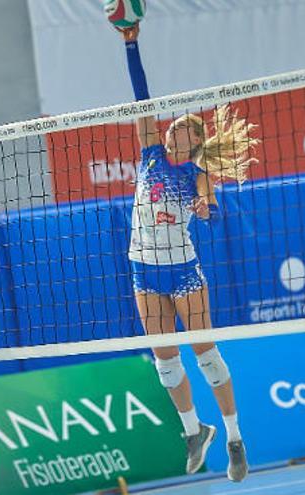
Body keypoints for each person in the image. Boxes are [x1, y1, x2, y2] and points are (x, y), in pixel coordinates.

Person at [116, 23, 259, 481]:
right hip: (143, 268)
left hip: (182, 272)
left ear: (194, 141)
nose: (172, 128)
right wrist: (130, 43)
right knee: (165, 362)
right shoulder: (151, 155)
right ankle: (194, 430)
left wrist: (205, 207)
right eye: (172, 125)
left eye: (181, 127)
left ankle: (235, 438)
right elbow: (142, 99)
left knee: (207, 356)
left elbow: (212, 215)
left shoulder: (197, 174)